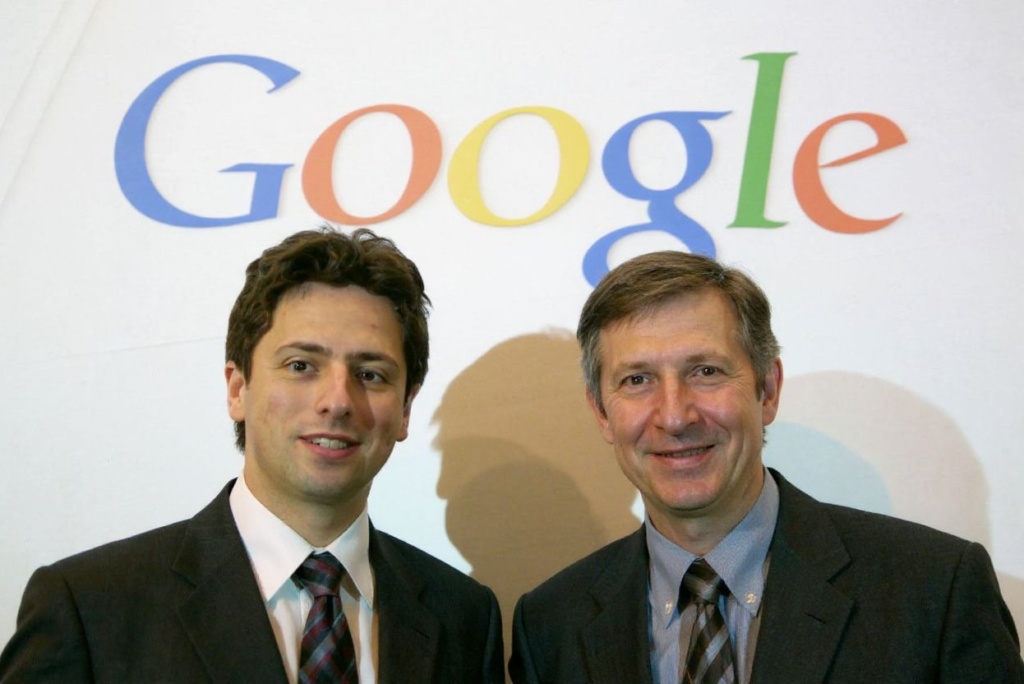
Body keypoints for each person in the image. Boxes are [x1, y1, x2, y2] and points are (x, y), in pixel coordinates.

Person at [0, 227, 504, 684]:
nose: (338, 400)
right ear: (238, 388)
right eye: (302, 365)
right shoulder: (89, 608)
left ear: (406, 409)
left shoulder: (463, 617)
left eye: (371, 374)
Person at [508, 250, 1023, 683]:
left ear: (768, 390)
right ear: (601, 412)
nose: (674, 415)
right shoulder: (551, 626)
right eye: (637, 380)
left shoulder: (932, 591)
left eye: (705, 371)